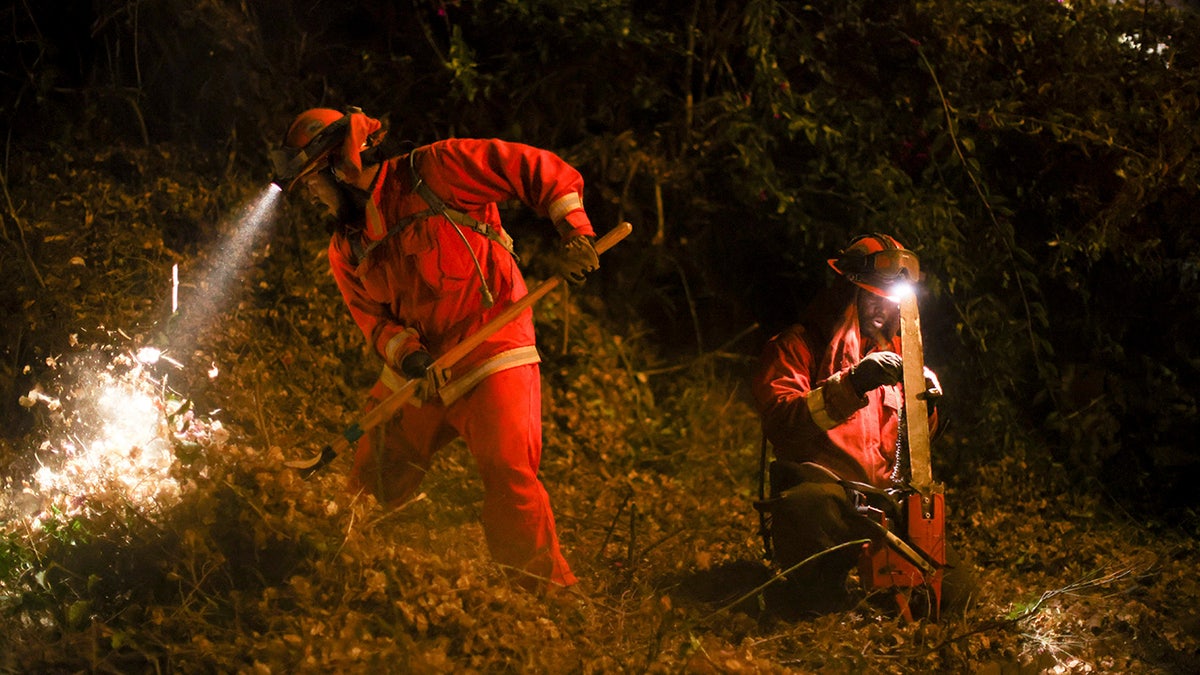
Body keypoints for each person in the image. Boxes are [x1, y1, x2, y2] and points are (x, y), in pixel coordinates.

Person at [272, 106, 600, 593]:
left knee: (509, 474)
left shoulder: (438, 169)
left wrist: (575, 233)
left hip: (493, 348)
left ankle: (549, 598)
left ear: (339, 167)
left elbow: (538, 168)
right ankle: (343, 575)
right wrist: (409, 355)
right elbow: (375, 323)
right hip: (421, 371)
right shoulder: (346, 247)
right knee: (370, 473)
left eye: (314, 183)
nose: (315, 197)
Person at [750, 233, 943, 614]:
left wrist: (928, 407)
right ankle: (816, 594)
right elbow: (782, 425)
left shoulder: (899, 356)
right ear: (846, 291)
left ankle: (889, 594)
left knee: (953, 589)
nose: (884, 312)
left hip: (880, 509)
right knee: (808, 506)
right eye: (874, 297)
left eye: (892, 303)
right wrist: (852, 384)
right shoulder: (797, 347)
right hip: (824, 502)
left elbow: (912, 448)